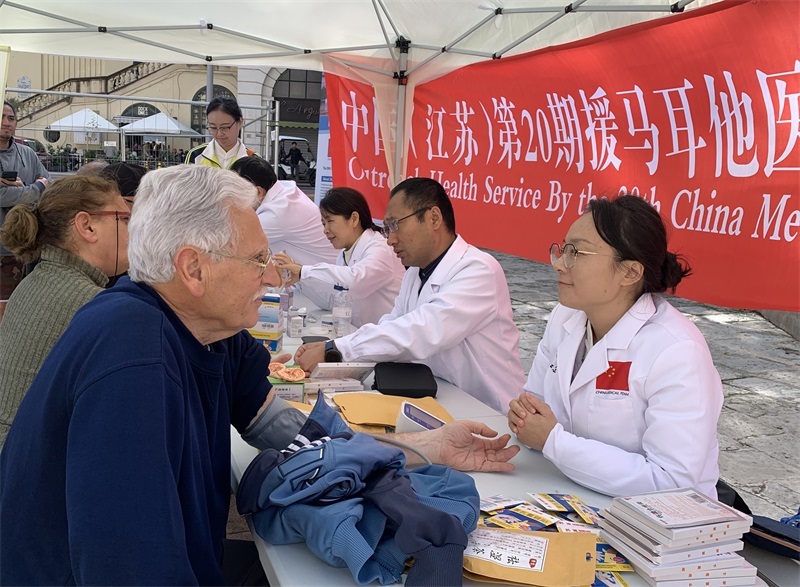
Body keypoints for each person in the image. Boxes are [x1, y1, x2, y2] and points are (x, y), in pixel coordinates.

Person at [0, 165, 519, 585]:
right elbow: (125, 566)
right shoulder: (131, 356)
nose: (272, 277)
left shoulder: (214, 332)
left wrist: (424, 447)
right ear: (193, 268)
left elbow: (295, 432)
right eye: (257, 259)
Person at [507, 195, 724, 498]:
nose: (559, 264)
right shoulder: (565, 317)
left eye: (576, 253)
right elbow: (533, 407)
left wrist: (554, 442)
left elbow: (671, 481)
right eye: (563, 249)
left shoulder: (677, 351)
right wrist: (525, 420)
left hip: (653, 520)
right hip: (570, 490)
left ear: (630, 272)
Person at [294, 177, 526, 414]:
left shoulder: (478, 270)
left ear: (433, 218)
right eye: (387, 228)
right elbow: (392, 324)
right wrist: (334, 361)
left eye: (396, 225)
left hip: (491, 410)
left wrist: (336, 349)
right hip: (442, 397)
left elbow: (420, 331)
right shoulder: (415, 272)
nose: (390, 239)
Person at [0, 176, 129, 448]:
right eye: (125, 219)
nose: (136, 230)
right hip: (27, 461)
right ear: (86, 226)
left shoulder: (35, 281)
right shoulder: (93, 304)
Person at [273, 187, 405, 327]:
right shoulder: (344, 254)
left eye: (330, 221)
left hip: (387, 335)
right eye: (323, 224)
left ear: (354, 219)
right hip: (361, 332)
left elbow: (355, 284)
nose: (325, 230)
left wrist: (304, 272)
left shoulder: (381, 247)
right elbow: (331, 301)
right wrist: (300, 279)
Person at [230, 155, 338, 307]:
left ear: (258, 192)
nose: (233, 199)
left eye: (236, 192)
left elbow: (230, 243)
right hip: (313, 284)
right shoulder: (284, 192)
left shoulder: (279, 212)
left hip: (327, 292)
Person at [0, 100, 50, 300]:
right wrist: (35, 188)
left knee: (19, 302)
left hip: (23, 247)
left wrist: (26, 188)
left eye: (11, 118)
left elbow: (48, 187)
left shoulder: (27, 154)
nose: (6, 122)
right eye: (2, 117)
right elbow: (3, 197)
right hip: (1, 248)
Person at [185, 97, 257, 169]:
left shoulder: (253, 160)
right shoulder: (196, 155)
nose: (219, 134)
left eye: (224, 127)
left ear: (239, 122)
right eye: (213, 127)